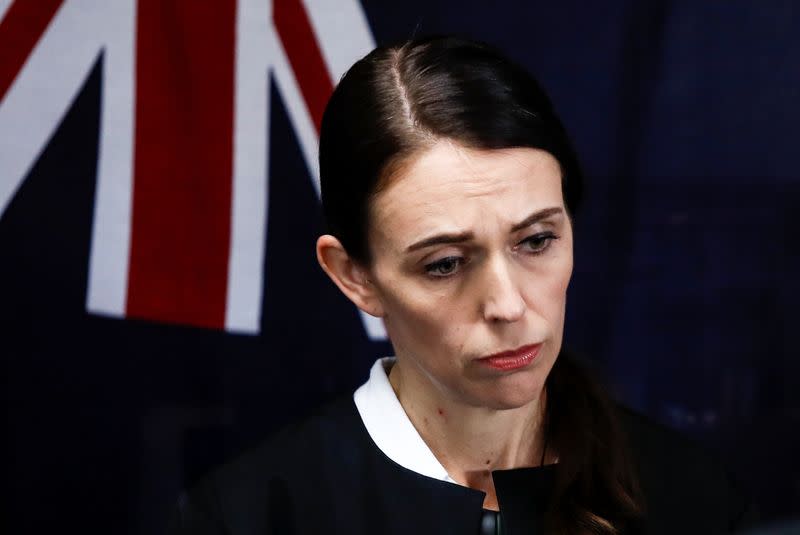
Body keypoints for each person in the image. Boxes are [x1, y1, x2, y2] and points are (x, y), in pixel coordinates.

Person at [168, 36, 754, 534]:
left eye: (536, 241)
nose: (506, 304)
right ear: (355, 276)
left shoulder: (687, 494)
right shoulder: (250, 517)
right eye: (445, 263)